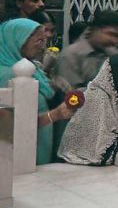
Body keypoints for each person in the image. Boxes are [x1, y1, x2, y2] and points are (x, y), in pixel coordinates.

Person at [0, 19, 73, 165]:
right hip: (19, 155)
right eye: (39, 41)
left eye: (44, 41)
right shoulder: (9, 75)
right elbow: (13, 124)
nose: (43, 47)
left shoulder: (34, 68)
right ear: (18, 41)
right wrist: (54, 115)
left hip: (39, 146)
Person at [56, 11, 118, 90]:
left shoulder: (114, 55)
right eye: (110, 34)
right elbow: (71, 94)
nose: (114, 40)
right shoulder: (71, 55)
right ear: (94, 30)